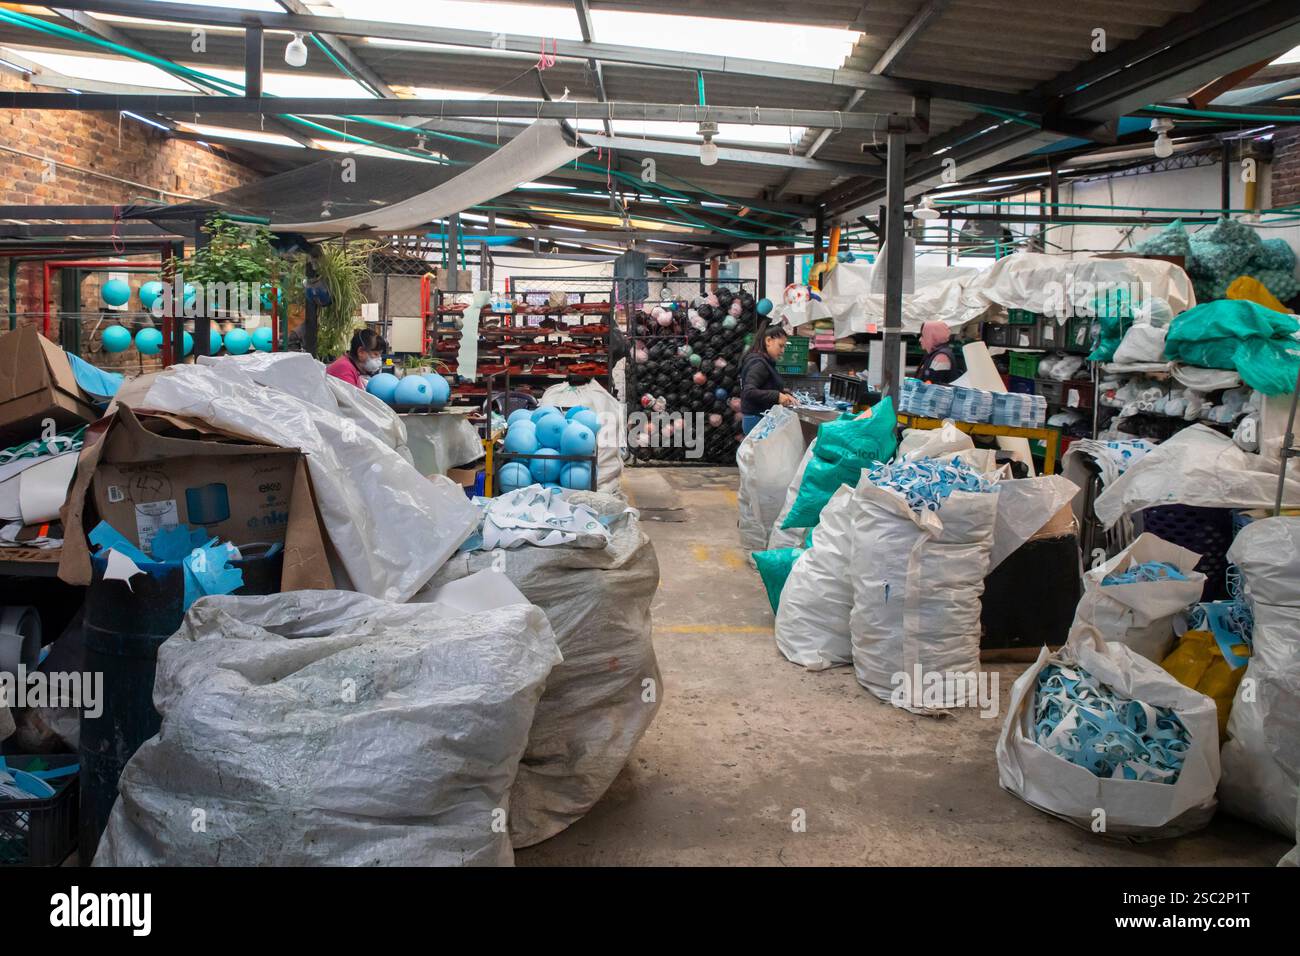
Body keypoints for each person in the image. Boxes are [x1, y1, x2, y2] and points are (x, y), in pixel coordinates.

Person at [739, 320, 796, 435]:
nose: (783, 351)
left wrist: (783, 394)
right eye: (780, 346)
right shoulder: (759, 364)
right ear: (768, 341)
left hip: (758, 419)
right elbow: (749, 391)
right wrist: (777, 396)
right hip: (756, 421)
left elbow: (765, 386)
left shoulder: (765, 362)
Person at [916, 320, 962, 385]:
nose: (920, 339)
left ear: (933, 336)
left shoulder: (941, 357)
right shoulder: (933, 354)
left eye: (923, 336)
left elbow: (933, 384)